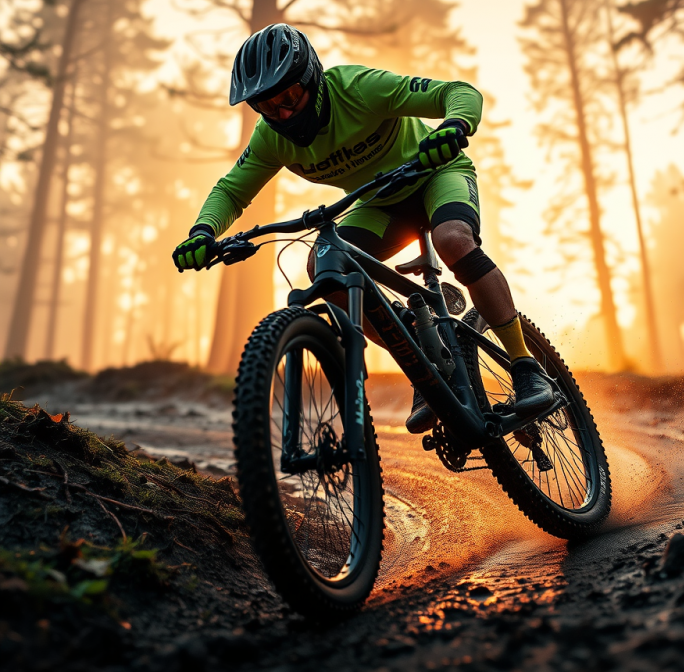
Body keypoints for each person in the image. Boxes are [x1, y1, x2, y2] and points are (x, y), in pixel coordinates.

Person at [172, 23, 556, 432]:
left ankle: (525, 366)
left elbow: (457, 93)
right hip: (379, 205)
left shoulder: (358, 88)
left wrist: (455, 126)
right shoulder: (272, 138)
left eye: (289, 97)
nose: (282, 113)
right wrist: (203, 233)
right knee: (327, 271)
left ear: (311, 80)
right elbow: (232, 191)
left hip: (436, 174)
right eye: (268, 106)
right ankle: (420, 355)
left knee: (452, 240)